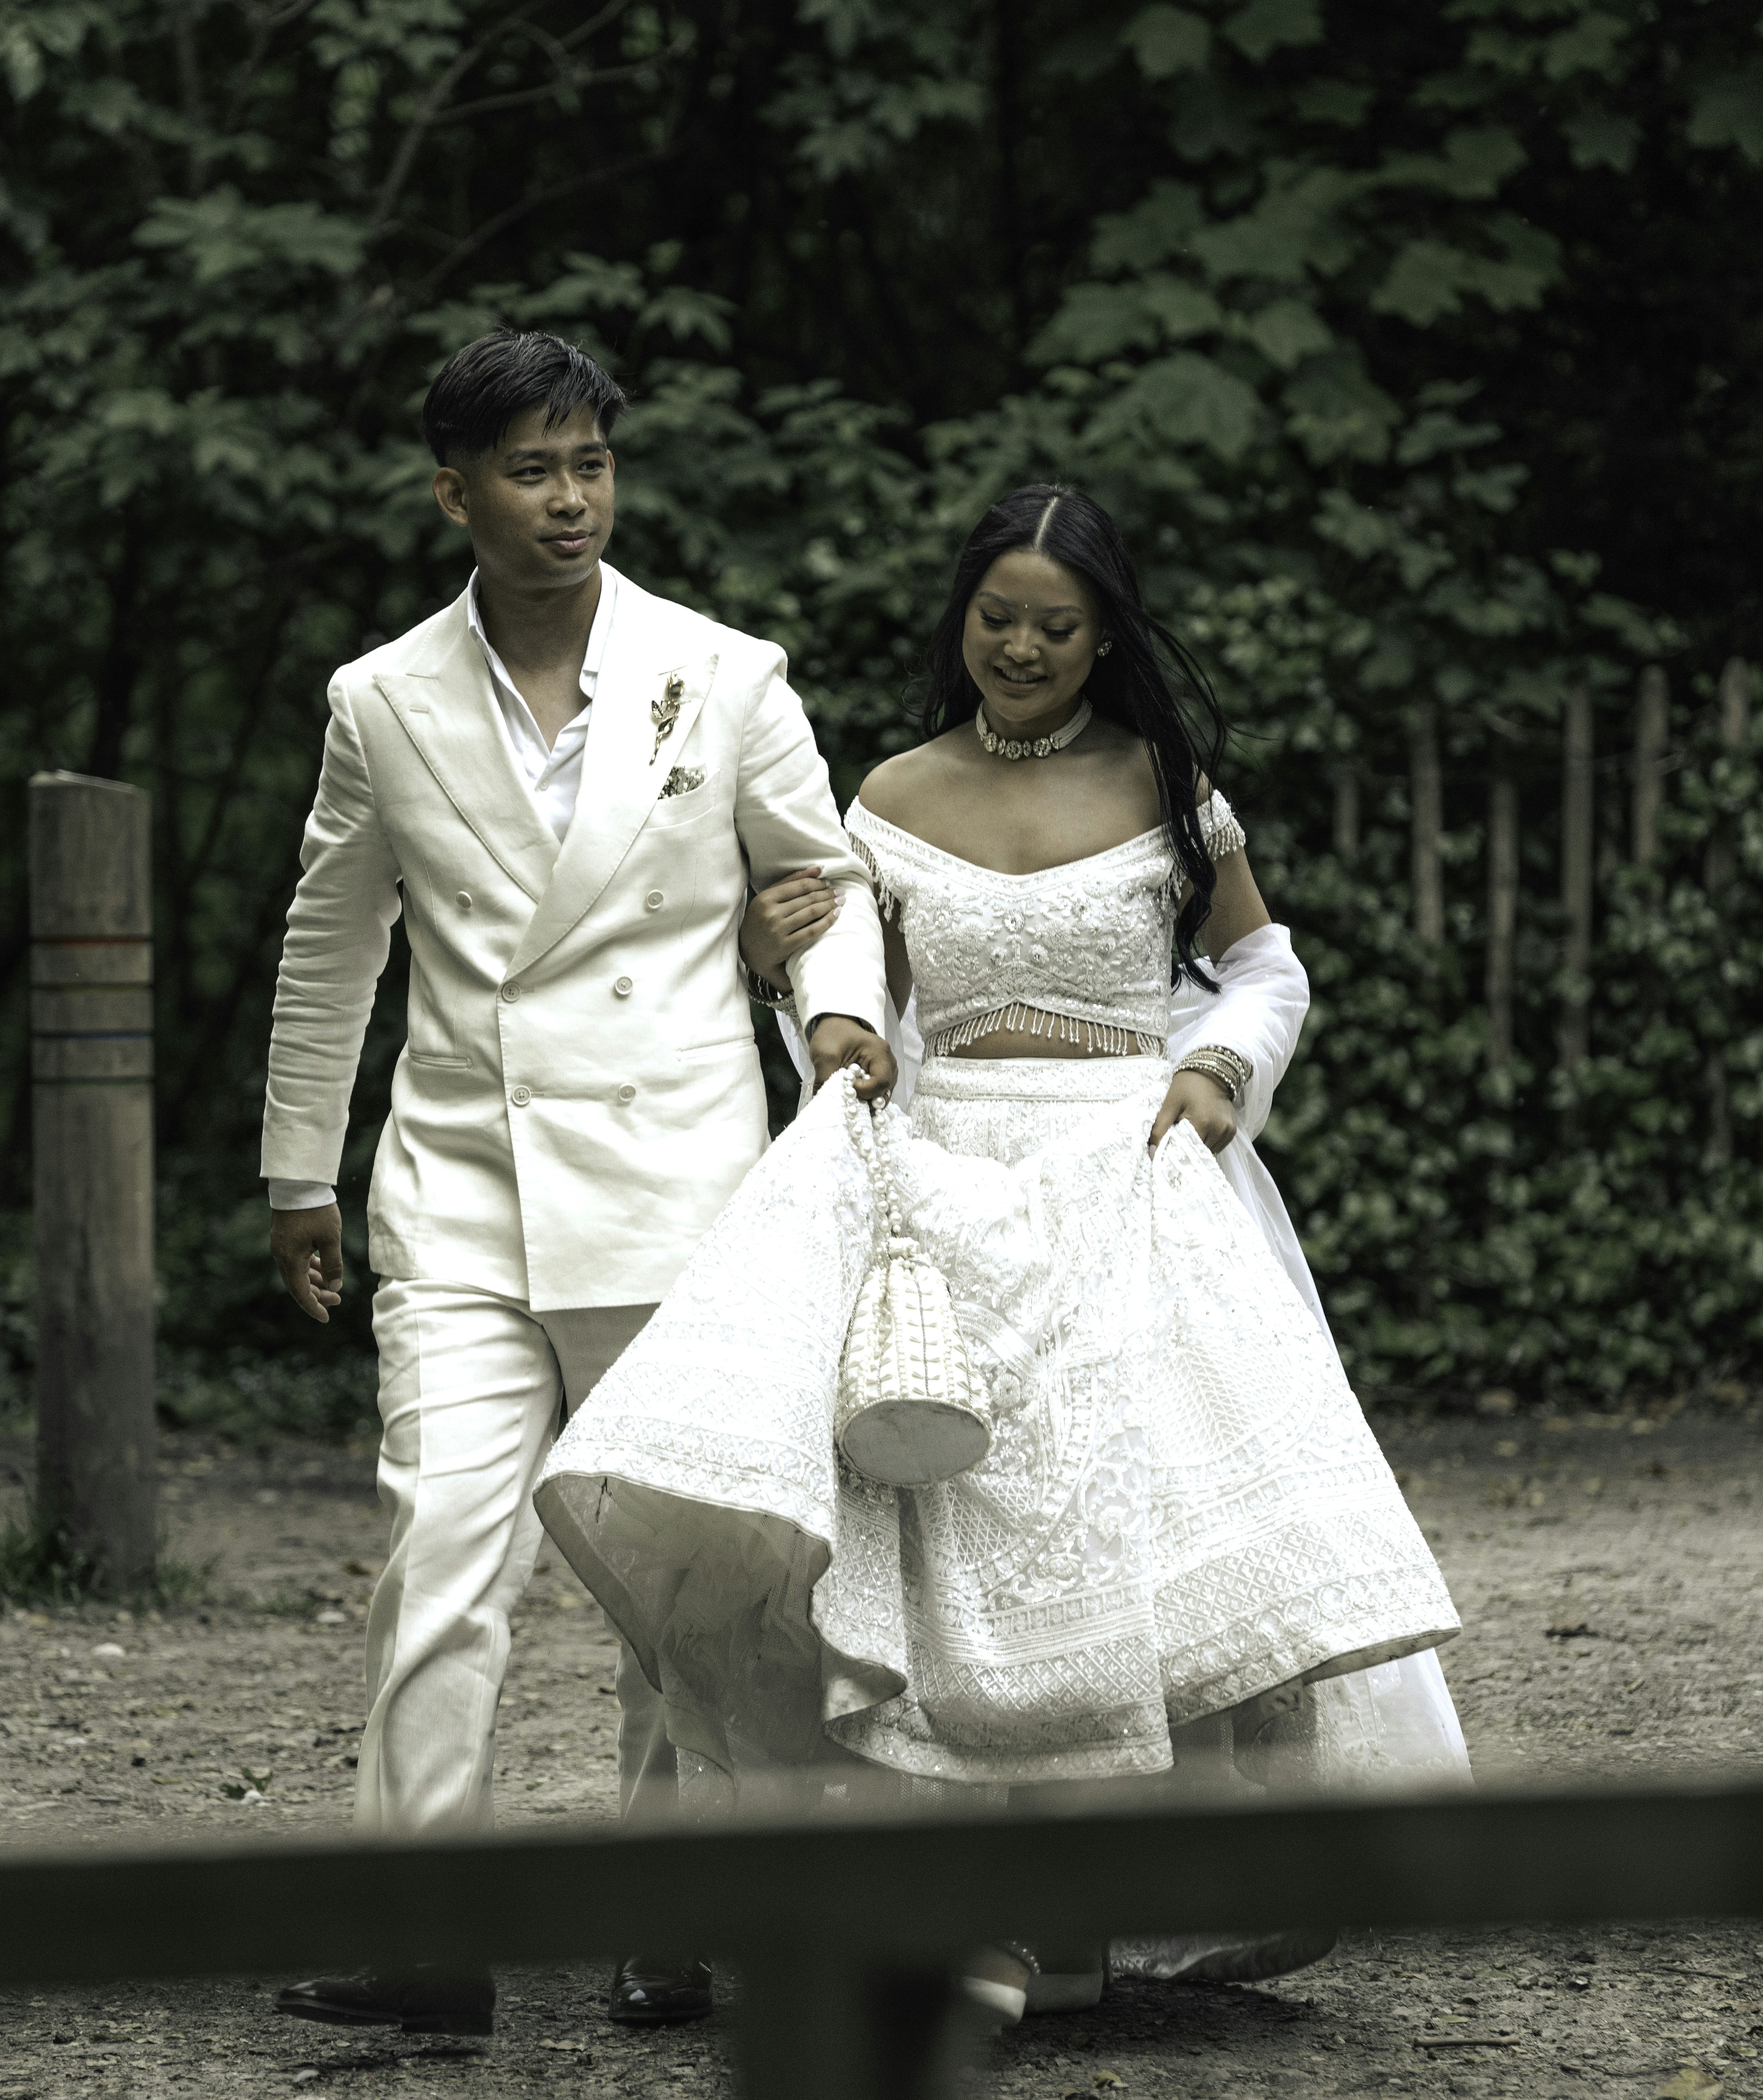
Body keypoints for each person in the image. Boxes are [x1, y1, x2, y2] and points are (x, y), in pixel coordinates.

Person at [533, 483, 1470, 2020]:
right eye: (997, 618)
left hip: (1134, 1169)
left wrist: (1219, 1070)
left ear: (1104, 636)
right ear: (959, 615)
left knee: (1128, 1520)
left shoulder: (1174, 792)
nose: (1020, 648)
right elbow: (851, 978)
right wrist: (825, 1012)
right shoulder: (890, 792)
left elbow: (1262, 962)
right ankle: (978, 1910)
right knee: (953, 1537)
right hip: (950, 1179)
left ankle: (1103, 1913)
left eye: (1054, 625)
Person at [255, 328, 897, 2038]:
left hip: (678, 1171)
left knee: (681, 1565)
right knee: (439, 1543)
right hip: (462, 1177)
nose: (570, 499)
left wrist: (837, 1028)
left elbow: (821, 880)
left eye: (592, 463)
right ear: (454, 491)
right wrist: (295, 1166)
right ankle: (427, 1935)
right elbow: (334, 946)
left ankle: (668, 1920)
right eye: (532, 469)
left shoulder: (727, 671)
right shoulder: (379, 698)